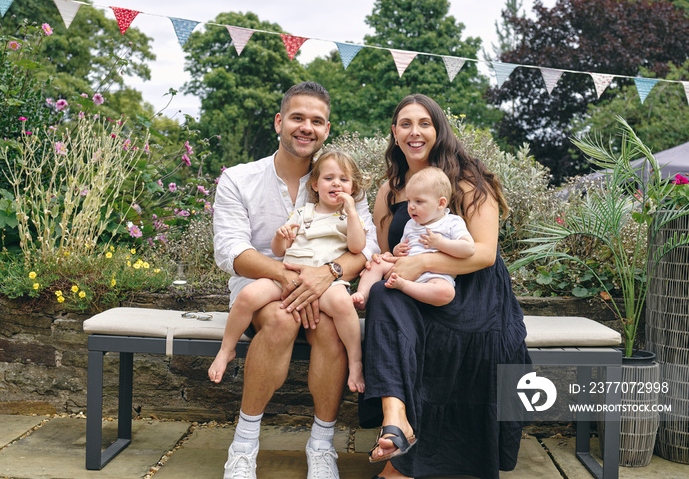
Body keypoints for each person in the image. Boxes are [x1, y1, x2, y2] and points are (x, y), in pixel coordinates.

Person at [212, 81, 379, 479]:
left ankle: (322, 446)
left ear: (326, 129)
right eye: (298, 118)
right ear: (279, 122)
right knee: (282, 319)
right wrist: (289, 277)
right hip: (263, 284)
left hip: (326, 281)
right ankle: (244, 444)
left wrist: (328, 274)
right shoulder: (239, 179)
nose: (307, 127)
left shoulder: (339, 180)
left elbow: (366, 247)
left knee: (328, 328)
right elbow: (230, 252)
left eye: (317, 121)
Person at [358, 94, 529, 479]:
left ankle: (398, 460)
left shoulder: (467, 181)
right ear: (394, 132)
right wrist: (388, 264)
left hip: (474, 293)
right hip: (417, 290)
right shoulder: (389, 191)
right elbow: (388, 253)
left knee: (414, 320)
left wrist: (422, 261)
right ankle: (396, 419)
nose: (415, 132)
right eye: (405, 123)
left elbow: (484, 254)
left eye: (424, 123)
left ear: (439, 130)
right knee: (386, 292)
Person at [210, 149, 369, 393]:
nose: (336, 183)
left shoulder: (347, 218)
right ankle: (226, 349)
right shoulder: (303, 212)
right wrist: (280, 237)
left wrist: (352, 212)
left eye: (344, 180)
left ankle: (355, 362)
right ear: (315, 185)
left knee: (343, 305)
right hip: (286, 275)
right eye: (329, 179)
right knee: (248, 296)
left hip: (325, 282)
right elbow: (280, 250)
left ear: (353, 188)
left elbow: (358, 247)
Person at [352, 166, 474, 308]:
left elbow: (468, 248)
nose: (411, 206)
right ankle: (363, 296)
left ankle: (404, 286)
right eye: (409, 201)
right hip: (406, 268)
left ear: (440, 203)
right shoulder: (411, 224)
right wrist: (397, 250)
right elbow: (402, 252)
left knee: (446, 292)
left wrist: (441, 243)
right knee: (376, 264)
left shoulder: (452, 222)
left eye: (419, 201)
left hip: (435, 276)